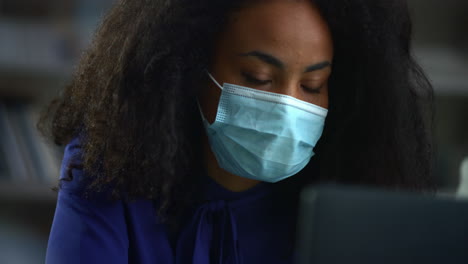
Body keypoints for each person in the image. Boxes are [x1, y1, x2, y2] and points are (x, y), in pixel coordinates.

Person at [40, 0, 435, 263]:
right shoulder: (111, 158)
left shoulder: (354, 186)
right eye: (258, 78)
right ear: (189, 65)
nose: (287, 106)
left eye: (313, 85)